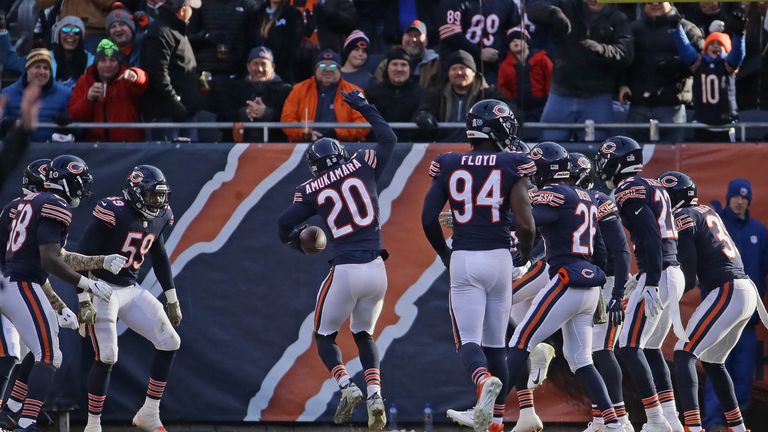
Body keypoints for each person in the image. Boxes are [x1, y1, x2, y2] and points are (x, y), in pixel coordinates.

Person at [277, 90, 395, 431]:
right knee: (364, 335)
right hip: (377, 268)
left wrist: (296, 241)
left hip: (344, 268)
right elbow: (388, 136)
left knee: (325, 337)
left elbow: (284, 223)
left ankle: (346, 386)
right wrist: (362, 105)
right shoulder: (363, 165)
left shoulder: (311, 188)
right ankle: (375, 393)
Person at [421, 99, 536, 432]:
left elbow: (428, 218)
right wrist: (525, 252)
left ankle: (482, 380)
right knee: (496, 343)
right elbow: (526, 223)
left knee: (468, 339)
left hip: (466, 257)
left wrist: (445, 252)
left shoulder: (449, 163)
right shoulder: (512, 162)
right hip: (500, 258)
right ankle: (495, 421)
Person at [503, 142, 624, 432]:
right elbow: (604, 251)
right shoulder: (587, 197)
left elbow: (527, 221)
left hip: (566, 278)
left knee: (519, 341)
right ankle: (614, 423)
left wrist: (483, 220)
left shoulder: (555, 193)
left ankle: (490, 409)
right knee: (581, 359)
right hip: (591, 280)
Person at [0, 156, 126, 431]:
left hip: (16, 282)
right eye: (80, 184)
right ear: (68, 183)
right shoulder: (54, 205)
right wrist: (87, 284)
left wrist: (100, 261)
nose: (82, 190)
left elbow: (52, 256)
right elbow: (50, 260)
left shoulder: (26, 203)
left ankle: (11, 411)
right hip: (20, 283)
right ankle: (25, 422)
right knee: (49, 355)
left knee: (41, 347)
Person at [76, 165, 180, 432]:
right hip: (101, 287)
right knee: (108, 355)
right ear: (135, 191)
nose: (157, 201)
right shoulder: (114, 210)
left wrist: (172, 298)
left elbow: (158, 255)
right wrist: (83, 298)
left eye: (160, 195)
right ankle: (93, 425)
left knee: (169, 341)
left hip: (130, 288)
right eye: (152, 195)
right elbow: (81, 255)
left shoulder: (161, 215)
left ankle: (149, 413)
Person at [657, 171, 761, 432]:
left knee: (683, 353)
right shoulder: (704, 211)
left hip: (727, 290)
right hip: (742, 289)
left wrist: (659, 295)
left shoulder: (683, 217)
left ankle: (692, 427)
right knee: (714, 362)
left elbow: (689, 277)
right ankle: (737, 428)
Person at [594, 136, 685, 432]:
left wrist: (651, 280)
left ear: (620, 159)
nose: (603, 160)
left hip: (658, 272)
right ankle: (671, 417)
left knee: (629, 346)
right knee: (650, 348)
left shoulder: (628, 189)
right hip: (672, 270)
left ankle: (657, 419)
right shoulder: (653, 184)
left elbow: (648, 235)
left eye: (608, 154)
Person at [569, 153, 633, 432]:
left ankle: (621, 420)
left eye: (568, 177)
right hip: (586, 281)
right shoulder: (565, 201)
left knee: (601, 350)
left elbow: (620, 249)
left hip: (606, 281)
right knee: (589, 353)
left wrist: (617, 291)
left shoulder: (598, 200)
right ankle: (600, 419)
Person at [703, 179, 768, 430]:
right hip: (719, 315)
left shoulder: (758, 231)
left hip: (748, 320)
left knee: (742, 378)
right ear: (728, 197)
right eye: (736, 197)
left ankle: (735, 426)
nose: (740, 201)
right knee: (717, 371)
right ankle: (713, 424)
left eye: (745, 198)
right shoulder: (716, 225)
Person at [528, 0, 633, 141]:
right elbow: (532, 9)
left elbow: (626, 53)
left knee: (598, 149)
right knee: (549, 147)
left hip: (598, 96)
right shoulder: (567, 6)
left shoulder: (617, 18)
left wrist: (602, 49)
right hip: (561, 93)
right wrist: (553, 13)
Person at [620, 2, 703, 143]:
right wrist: (622, 84)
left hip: (672, 106)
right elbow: (623, 61)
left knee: (672, 159)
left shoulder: (687, 29)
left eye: (659, 1)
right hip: (638, 105)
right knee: (635, 157)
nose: (654, 4)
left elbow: (700, 64)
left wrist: (676, 68)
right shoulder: (633, 29)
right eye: (649, 2)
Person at [141, 0, 216, 142]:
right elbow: (158, 75)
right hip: (169, 117)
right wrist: (177, 106)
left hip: (183, 114)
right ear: (182, 10)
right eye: (191, 8)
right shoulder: (161, 32)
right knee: (167, 162)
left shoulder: (175, 30)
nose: (193, 13)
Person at [671, 8, 746, 142]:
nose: (715, 46)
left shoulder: (727, 65)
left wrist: (739, 35)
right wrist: (677, 29)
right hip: (702, 122)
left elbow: (737, 55)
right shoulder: (699, 63)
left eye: (720, 44)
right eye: (712, 43)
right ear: (706, 47)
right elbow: (685, 49)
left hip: (726, 124)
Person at [413, 50, 509, 142]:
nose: (458, 72)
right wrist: (424, 116)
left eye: (462, 68)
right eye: (454, 69)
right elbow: (423, 110)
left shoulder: (489, 94)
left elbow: (509, 111)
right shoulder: (437, 94)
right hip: (443, 148)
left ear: (473, 72)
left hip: (479, 150)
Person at [68, 39, 148, 142]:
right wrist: (88, 98)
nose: (108, 65)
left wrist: (135, 75)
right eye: (103, 60)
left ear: (119, 63)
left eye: (112, 60)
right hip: (95, 145)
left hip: (128, 145)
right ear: (96, 63)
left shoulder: (126, 78)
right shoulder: (85, 81)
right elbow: (74, 115)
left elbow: (143, 81)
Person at [281, 49, 369, 142]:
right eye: (322, 66)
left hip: (344, 145)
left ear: (340, 70)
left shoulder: (354, 92)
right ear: (315, 70)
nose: (327, 70)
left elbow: (363, 124)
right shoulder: (299, 89)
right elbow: (287, 119)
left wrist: (336, 134)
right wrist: (304, 134)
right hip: (306, 144)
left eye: (332, 66)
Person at [436, 0, 521, 84]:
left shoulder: (506, 3)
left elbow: (514, 28)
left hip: (493, 64)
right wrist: (478, 52)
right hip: (460, 63)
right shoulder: (453, 2)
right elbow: (450, 34)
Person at [1, 48, 72, 142]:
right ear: (27, 70)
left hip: (52, 151)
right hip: (18, 151)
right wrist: (6, 123)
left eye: (46, 68)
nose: (42, 72)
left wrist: (68, 122)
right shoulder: (7, 93)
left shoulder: (65, 94)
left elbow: (78, 130)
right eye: (37, 67)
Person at [188, 0, 260, 79]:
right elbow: (187, 38)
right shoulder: (199, 3)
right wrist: (206, 37)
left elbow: (252, 40)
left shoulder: (247, 4)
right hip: (205, 71)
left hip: (236, 72)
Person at [365, 47, 425, 141]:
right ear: (387, 68)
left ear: (410, 69)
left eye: (403, 64)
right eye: (394, 64)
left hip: (411, 147)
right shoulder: (372, 93)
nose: (399, 69)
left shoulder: (422, 94)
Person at [497, 28, 552, 123]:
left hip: (543, 108)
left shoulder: (542, 59)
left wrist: (548, 104)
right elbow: (504, 89)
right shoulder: (504, 66)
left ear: (527, 43)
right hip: (517, 111)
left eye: (519, 38)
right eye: (511, 41)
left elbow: (550, 80)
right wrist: (512, 108)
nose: (514, 41)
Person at [373, 19, 440, 89]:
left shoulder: (436, 64)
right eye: (410, 35)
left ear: (426, 40)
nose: (414, 39)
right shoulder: (386, 64)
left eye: (418, 35)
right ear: (402, 38)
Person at [248, 0, 303, 83]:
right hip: (257, 70)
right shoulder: (257, 13)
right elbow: (249, 41)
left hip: (282, 72)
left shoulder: (293, 14)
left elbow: (292, 46)